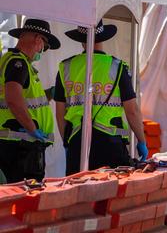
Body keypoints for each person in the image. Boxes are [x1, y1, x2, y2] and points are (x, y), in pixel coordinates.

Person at [55, 20, 147, 174]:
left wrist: (67, 142)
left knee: (79, 192)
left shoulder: (66, 67)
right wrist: (141, 140)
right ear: (103, 38)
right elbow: (132, 111)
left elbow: (60, 113)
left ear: (82, 41)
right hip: (110, 142)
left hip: (78, 142)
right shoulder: (117, 67)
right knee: (112, 193)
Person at [0, 19, 60, 183]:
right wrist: (32, 128)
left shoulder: (15, 61)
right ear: (38, 40)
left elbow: (27, 100)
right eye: (45, 47)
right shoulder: (18, 63)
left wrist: (50, 94)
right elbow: (13, 98)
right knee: (25, 198)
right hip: (20, 146)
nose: (43, 51)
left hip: (17, 144)